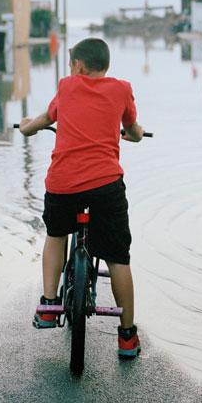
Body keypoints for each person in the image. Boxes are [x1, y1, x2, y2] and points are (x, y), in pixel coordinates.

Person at [18, 37, 146, 359]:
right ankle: (127, 336)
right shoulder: (121, 89)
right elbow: (133, 129)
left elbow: (44, 120)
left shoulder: (67, 87)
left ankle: (49, 305)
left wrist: (25, 129)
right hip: (106, 186)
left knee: (56, 235)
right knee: (118, 257)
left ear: (77, 65)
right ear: (106, 65)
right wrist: (134, 135)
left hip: (63, 185)